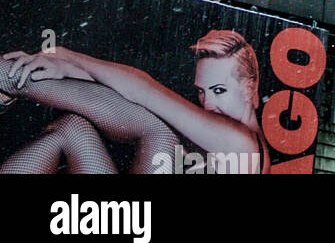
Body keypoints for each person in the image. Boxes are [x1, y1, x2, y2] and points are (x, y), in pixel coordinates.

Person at [0, 30, 269, 175]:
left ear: (249, 88)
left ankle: (11, 79)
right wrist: (69, 69)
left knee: (159, 130)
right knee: (73, 130)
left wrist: (68, 57)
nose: (208, 103)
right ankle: (13, 80)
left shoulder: (241, 145)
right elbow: (131, 98)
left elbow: (147, 93)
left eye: (219, 90)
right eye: (201, 92)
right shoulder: (234, 145)